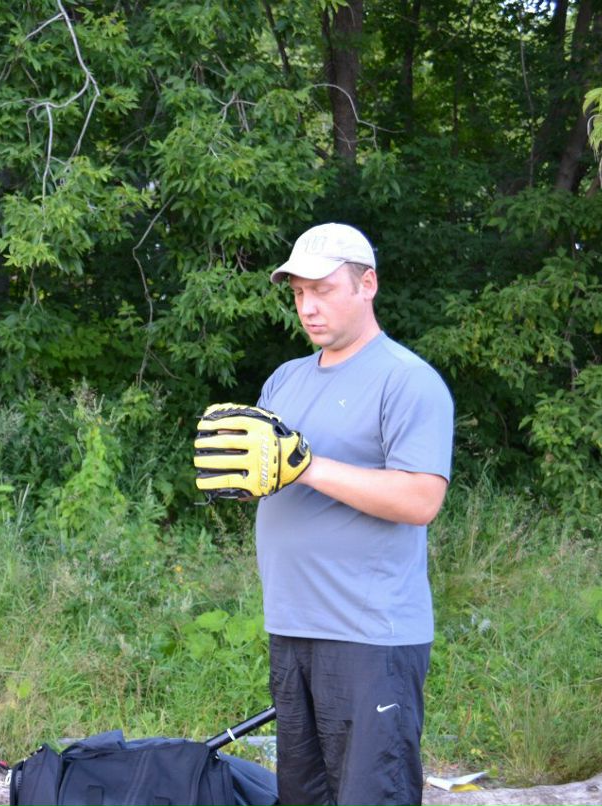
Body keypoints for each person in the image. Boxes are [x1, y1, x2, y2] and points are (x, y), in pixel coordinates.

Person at [256, 223, 454, 806]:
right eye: (297, 294)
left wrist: (308, 466)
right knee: (303, 797)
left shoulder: (407, 380)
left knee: (372, 795)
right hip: (292, 626)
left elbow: (421, 499)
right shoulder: (285, 379)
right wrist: (237, 480)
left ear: (367, 284)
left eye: (323, 289)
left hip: (370, 636)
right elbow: (269, 480)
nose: (308, 307)